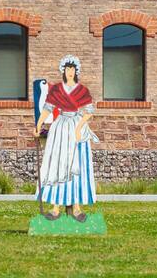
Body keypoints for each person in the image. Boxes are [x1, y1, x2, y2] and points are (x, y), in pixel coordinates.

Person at [35, 55, 98, 222]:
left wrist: (79, 128)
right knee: (58, 164)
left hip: (76, 128)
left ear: (76, 71)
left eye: (72, 69)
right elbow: (47, 109)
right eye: (67, 69)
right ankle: (56, 207)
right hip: (61, 128)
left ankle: (76, 207)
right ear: (63, 70)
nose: (70, 72)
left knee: (76, 166)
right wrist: (38, 125)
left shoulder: (82, 90)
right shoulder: (56, 90)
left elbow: (89, 112)